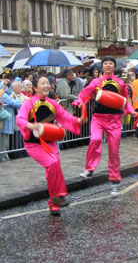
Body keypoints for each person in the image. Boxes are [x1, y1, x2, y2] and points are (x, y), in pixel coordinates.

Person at [16, 76, 86, 216]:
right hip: (34, 144)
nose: (47, 86)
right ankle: (57, 196)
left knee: (53, 169)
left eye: (48, 83)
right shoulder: (29, 103)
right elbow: (20, 119)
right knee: (53, 163)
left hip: (50, 142)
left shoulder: (52, 103)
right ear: (35, 88)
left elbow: (64, 116)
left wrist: (78, 120)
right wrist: (30, 125)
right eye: (43, 83)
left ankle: (54, 205)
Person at [76, 56, 138, 195]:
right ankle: (89, 169)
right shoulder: (96, 82)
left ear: (114, 66)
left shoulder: (120, 83)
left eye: (111, 63)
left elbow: (125, 100)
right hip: (98, 118)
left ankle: (114, 182)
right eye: (106, 63)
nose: (108, 66)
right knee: (95, 140)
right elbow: (84, 94)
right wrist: (80, 102)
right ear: (102, 67)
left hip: (115, 120)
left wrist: (131, 111)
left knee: (114, 150)